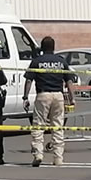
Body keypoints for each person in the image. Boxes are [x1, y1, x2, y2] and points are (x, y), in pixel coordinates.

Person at [22, 36, 76, 167]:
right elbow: (69, 81)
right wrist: (72, 98)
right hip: (58, 95)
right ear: (53, 47)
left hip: (43, 95)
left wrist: (25, 97)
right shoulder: (61, 61)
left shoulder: (37, 61)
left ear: (42, 47)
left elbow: (29, 80)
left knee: (38, 126)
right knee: (57, 126)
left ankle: (38, 154)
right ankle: (58, 158)